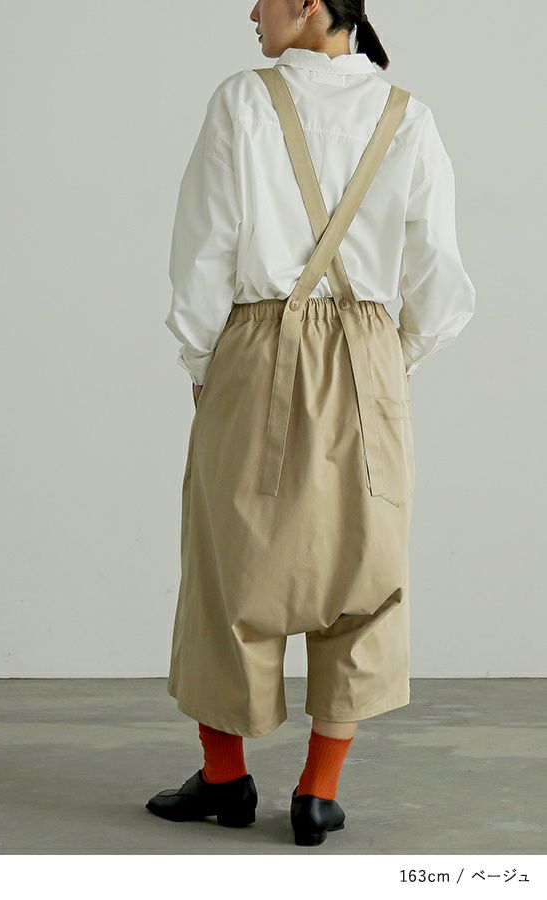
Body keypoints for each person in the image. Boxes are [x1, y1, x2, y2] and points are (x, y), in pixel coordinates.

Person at [146, 0, 475, 846]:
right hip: (369, 352)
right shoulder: (408, 116)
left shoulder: (242, 100)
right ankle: (318, 793)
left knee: (229, 564)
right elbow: (439, 278)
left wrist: (202, 363)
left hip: (256, 346)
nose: (251, 11)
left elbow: (204, 248)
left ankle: (226, 779)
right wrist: (387, 361)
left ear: (309, 2)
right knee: (366, 568)